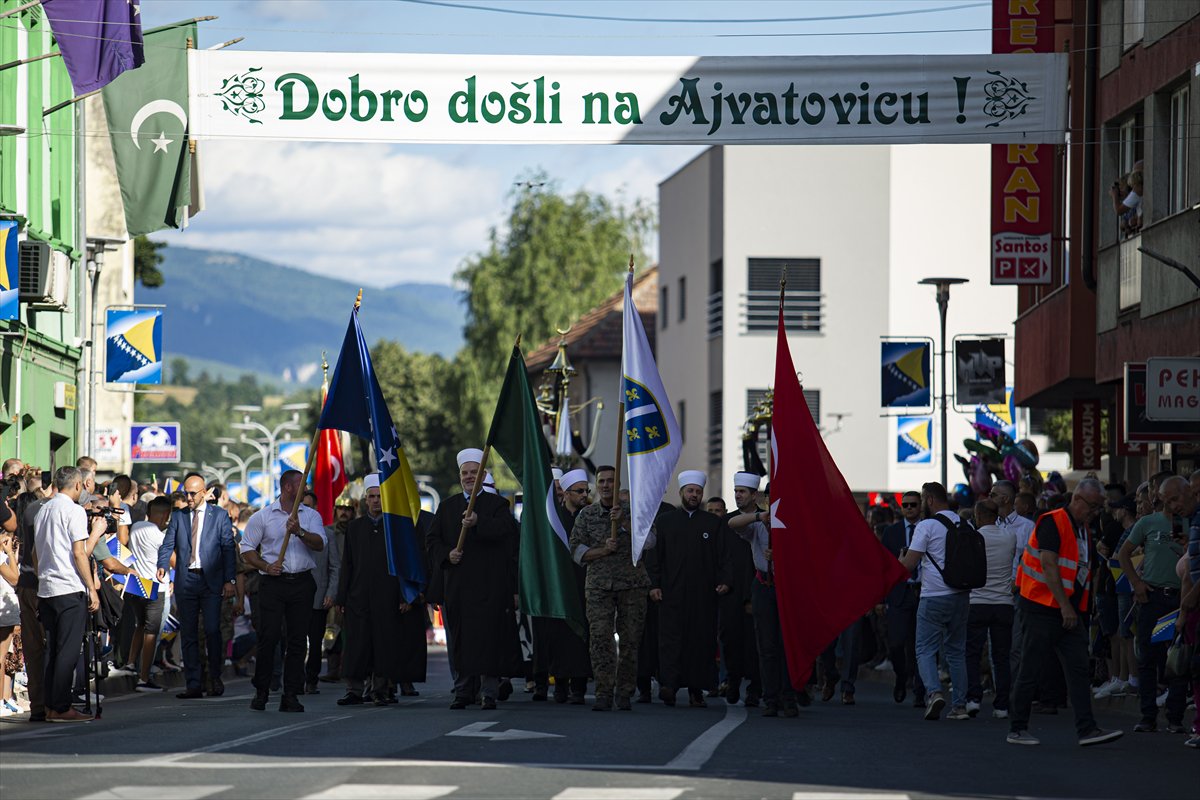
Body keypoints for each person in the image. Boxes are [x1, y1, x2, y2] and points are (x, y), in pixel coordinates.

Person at [1006, 478, 1123, 747]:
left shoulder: (1083, 529)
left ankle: (1087, 729)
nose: (1096, 512)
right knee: (1030, 668)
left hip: (1067, 611)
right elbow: (1049, 566)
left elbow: (1081, 571)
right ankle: (1017, 728)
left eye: (1099, 508)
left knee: (1079, 670)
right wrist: (1066, 607)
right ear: (1078, 499)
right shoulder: (1052, 521)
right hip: (1041, 607)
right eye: (1093, 506)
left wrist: (1080, 609)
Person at [426, 449, 521, 710]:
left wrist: (480, 522)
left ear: (483, 476)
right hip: (458, 586)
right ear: (460, 477)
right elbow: (432, 541)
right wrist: (448, 554)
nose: (469, 477)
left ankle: (488, 692)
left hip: (489, 586)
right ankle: (463, 691)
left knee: (489, 639)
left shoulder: (498, 506)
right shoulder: (447, 507)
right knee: (460, 639)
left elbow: (508, 535)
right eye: (465, 473)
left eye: (474, 473)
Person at [240, 469, 326, 712]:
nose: (306, 488)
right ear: (288, 487)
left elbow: (320, 544)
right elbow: (246, 549)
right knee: (269, 637)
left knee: (298, 639)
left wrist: (299, 531)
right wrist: (265, 565)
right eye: (302, 484)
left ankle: (291, 694)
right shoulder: (264, 516)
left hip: (302, 583)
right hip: (273, 583)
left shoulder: (310, 516)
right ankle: (262, 690)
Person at [569, 467, 652, 711]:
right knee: (600, 638)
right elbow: (576, 551)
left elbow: (650, 542)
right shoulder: (587, 515)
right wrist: (603, 551)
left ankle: (625, 691)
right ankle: (604, 691)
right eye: (602, 481)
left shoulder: (635, 512)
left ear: (617, 485)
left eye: (611, 481)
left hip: (632, 584)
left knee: (630, 640)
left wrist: (624, 523)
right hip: (599, 586)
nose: (606, 486)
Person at [649, 470, 731, 708]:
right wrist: (654, 585)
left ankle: (697, 690)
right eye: (690, 491)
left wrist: (725, 580)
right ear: (682, 492)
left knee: (700, 642)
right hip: (671, 594)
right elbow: (655, 558)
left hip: (703, 595)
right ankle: (669, 687)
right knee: (670, 641)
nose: (694, 495)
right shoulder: (665, 522)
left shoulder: (713, 524)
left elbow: (724, 557)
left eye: (698, 491)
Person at [156, 473, 236, 700]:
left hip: (211, 581)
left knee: (212, 630)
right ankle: (193, 684)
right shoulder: (179, 516)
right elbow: (167, 544)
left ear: (203, 492)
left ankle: (214, 678)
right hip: (186, 581)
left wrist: (229, 580)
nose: (189, 498)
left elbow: (228, 549)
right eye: (186, 493)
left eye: (193, 493)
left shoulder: (219, 516)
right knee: (189, 634)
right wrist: (163, 564)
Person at [1119, 474, 1188, 733]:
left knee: (1177, 659)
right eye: (1166, 498)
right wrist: (1136, 583)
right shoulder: (1148, 523)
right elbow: (1124, 553)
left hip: (1181, 598)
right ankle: (1148, 715)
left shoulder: (1188, 523)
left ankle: (1175, 717)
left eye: (1176, 498)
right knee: (1148, 658)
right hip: (1153, 596)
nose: (1171, 503)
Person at [727, 484, 803, 717]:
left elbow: (806, 557)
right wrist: (761, 516)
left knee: (786, 645)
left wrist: (784, 554)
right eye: (771, 497)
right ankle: (770, 698)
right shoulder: (759, 523)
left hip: (788, 588)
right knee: (767, 645)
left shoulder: (796, 524)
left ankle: (789, 696)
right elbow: (732, 524)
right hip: (763, 586)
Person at [897, 482, 970, 721]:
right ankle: (959, 706)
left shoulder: (926, 526)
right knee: (957, 652)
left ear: (929, 500)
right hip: (960, 596)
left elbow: (909, 565)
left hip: (933, 597)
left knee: (925, 649)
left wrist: (901, 559)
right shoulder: (965, 523)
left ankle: (934, 692)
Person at [33, 467, 101, 723]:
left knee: (53, 649)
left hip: (47, 588)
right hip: (69, 587)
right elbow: (79, 553)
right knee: (68, 650)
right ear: (76, 485)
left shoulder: (43, 510)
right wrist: (91, 588)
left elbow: (35, 555)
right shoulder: (73, 511)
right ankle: (61, 707)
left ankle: (51, 706)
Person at [336, 475, 408, 706]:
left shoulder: (395, 528)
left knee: (383, 644)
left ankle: (380, 689)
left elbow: (404, 564)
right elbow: (347, 564)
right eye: (372, 497)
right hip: (358, 596)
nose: (376, 501)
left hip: (387, 596)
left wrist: (404, 595)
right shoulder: (355, 528)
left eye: (380, 497)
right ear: (365, 499)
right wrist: (342, 595)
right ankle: (354, 690)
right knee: (356, 644)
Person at [531, 468, 592, 704]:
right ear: (566, 494)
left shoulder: (590, 517)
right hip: (558, 585)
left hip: (583, 584)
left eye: (586, 490)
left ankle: (578, 687)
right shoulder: (553, 518)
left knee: (580, 637)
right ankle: (560, 685)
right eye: (579, 491)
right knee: (558, 635)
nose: (584, 495)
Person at [964, 498, 1016, 719]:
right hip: (1004, 603)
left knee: (972, 653)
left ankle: (973, 698)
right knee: (1001, 656)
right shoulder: (1010, 536)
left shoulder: (973, 538)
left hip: (977, 601)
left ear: (978, 515)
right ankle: (1002, 705)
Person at [719, 472, 761, 707]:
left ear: (754, 495)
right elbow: (720, 556)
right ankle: (733, 682)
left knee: (755, 643)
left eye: (742, 492)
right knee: (731, 640)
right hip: (731, 593)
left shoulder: (763, 521)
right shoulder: (727, 523)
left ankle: (755, 688)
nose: (738, 496)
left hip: (756, 590)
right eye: (736, 492)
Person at [880, 490, 926, 707]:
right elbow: (883, 567)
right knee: (897, 643)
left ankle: (920, 690)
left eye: (913, 504)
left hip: (923, 591)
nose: (909, 508)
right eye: (905, 505)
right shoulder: (891, 533)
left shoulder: (929, 528)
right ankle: (901, 676)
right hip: (899, 593)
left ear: (921, 505)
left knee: (921, 644)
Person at [127, 496, 174, 692]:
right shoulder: (160, 537)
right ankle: (144, 678)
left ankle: (130, 664)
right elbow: (173, 561)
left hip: (136, 584)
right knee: (151, 632)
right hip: (156, 587)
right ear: (165, 515)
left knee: (139, 626)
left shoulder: (137, 526)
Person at [302, 490, 341, 695]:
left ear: (316, 509)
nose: (306, 510)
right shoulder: (289, 530)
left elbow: (335, 566)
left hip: (318, 597)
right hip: (296, 597)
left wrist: (331, 593)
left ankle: (311, 678)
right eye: (303, 506)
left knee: (316, 641)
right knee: (295, 641)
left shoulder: (327, 535)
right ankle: (294, 678)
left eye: (309, 506)